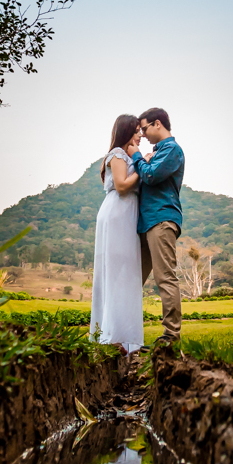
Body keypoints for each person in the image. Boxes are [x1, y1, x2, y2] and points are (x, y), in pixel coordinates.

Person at [89, 114, 145, 353]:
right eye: (136, 130)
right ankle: (112, 336)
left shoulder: (128, 155)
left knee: (125, 274)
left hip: (127, 214)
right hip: (117, 214)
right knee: (115, 273)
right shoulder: (118, 154)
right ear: (126, 131)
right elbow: (122, 186)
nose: (140, 135)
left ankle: (121, 335)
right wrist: (142, 165)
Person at [132, 107, 185, 344]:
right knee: (134, 279)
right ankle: (127, 335)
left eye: (144, 129)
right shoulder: (157, 152)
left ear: (157, 124)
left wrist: (136, 156)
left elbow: (151, 176)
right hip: (146, 223)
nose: (142, 135)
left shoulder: (172, 150)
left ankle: (171, 335)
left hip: (161, 220)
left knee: (165, 277)